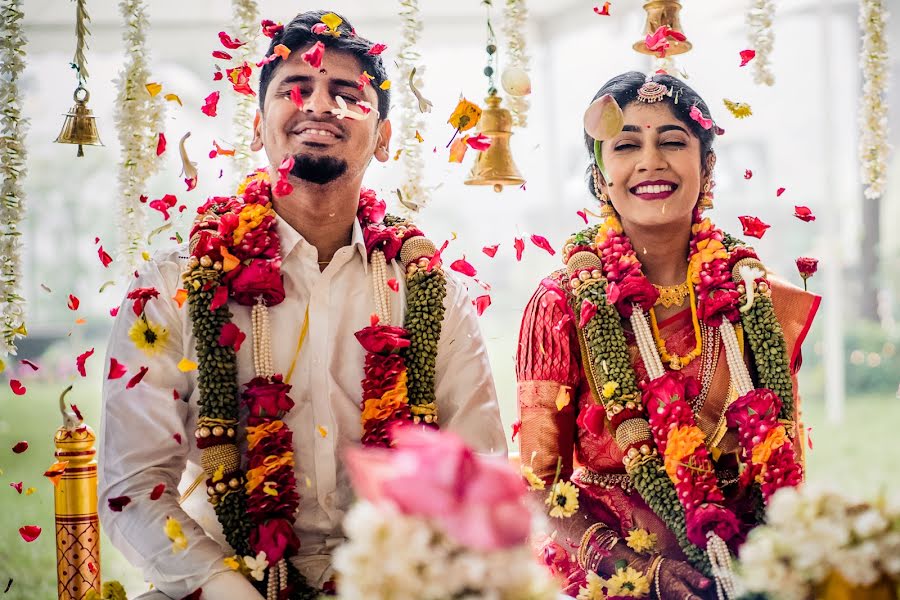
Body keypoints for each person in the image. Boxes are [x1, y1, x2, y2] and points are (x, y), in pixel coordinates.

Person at [99, 10, 506, 599]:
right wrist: (226, 587)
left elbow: (473, 469)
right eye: (295, 88)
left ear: (385, 138)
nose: (319, 104)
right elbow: (135, 488)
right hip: (224, 581)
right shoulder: (176, 284)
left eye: (346, 93)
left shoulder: (429, 293)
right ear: (260, 128)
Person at [516, 71, 819, 599]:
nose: (650, 161)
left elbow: (785, 461)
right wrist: (636, 569)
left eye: (672, 141)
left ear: (707, 165)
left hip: (748, 575)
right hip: (610, 583)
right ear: (599, 174)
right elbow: (538, 485)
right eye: (626, 144)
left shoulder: (755, 297)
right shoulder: (561, 302)